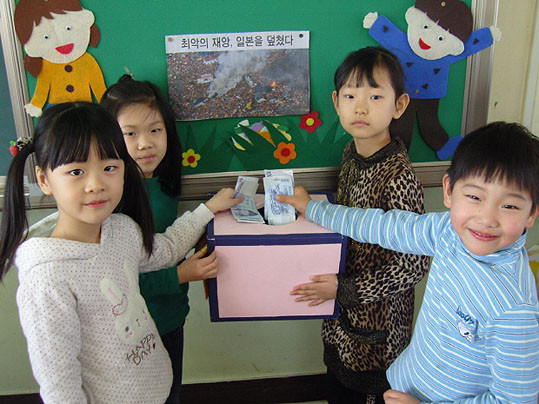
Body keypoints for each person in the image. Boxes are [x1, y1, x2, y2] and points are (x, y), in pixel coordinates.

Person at [277, 121, 539, 404]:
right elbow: (381, 226)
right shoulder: (447, 232)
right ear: (449, 191)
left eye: (509, 206)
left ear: (531, 213)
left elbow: (514, 400)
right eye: (474, 197)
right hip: (404, 382)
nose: (486, 219)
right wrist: (314, 209)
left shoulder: (514, 311)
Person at [0, 102, 240, 404]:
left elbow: (164, 251)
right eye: (76, 171)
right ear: (44, 179)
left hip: (157, 385)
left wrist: (207, 210)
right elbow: (60, 385)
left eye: (109, 168)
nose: (96, 184)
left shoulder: (121, 229)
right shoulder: (47, 277)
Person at [288, 47, 430, 403]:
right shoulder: (351, 154)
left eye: (375, 96)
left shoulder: (398, 176)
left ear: (399, 105)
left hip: (378, 333)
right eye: (350, 96)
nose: (361, 108)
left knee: (366, 395)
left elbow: (413, 266)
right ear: (336, 102)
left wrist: (345, 289)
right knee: (337, 388)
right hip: (341, 316)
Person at [100, 75, 215, 403]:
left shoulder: (163, 181)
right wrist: (180, 275)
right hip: (128, 329)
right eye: (130, 134)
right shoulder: (108, 199)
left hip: (169, 318)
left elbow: (164, 243)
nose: (145, 144)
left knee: (169, 394)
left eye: (155, 130)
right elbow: (115, 282)